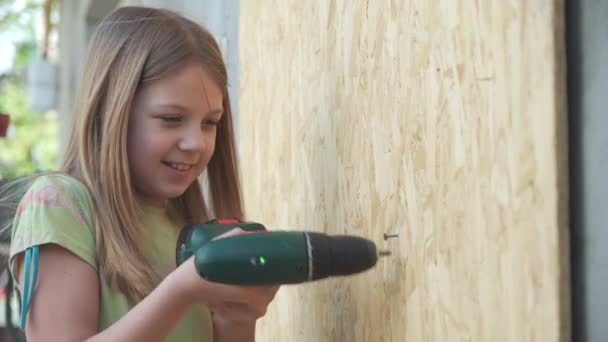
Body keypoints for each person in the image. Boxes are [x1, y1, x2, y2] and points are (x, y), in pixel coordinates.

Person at [3, 6, 278, 342]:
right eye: (171, 119)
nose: (196, 142)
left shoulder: (189, 224)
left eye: (210, 123)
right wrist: (180, 290)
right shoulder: (58, 204)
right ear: (112, 111)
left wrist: (239, 316)